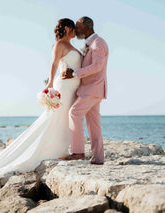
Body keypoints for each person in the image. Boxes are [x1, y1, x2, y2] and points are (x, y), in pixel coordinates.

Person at [0, 18, 83, 195]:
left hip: (73, 87)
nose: (76, 32)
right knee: (54, 118)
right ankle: (46, 151)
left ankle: (60, 148)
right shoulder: (59, 44)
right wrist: (50, 83)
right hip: (64, 87)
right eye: (74, 29)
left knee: (65, 118)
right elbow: (54, 64)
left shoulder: (72, 46)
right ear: (67, 28)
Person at [60, 16, 109, 165]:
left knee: (74, 113)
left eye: (78, 27)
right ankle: (98, 158)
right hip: (92, 89)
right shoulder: (91, 43)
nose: (76, 30)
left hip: (93, 88)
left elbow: (97, 66)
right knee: (93, 124)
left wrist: (75, 74)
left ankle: (78, 152)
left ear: (87, 28)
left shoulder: (98, 43)